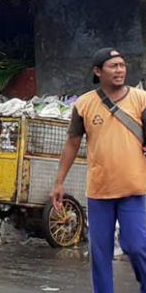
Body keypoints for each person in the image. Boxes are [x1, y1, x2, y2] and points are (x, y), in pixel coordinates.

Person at [50, 48, 146, 293]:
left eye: (122, 65)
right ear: (97, 71)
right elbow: (72, 142)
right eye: (113, 66)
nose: (119, 70)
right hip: (99, 191)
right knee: (99, 253)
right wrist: (59, 182)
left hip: (134, 188)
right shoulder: (84, 104)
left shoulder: (141, 99)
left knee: (136, 246)